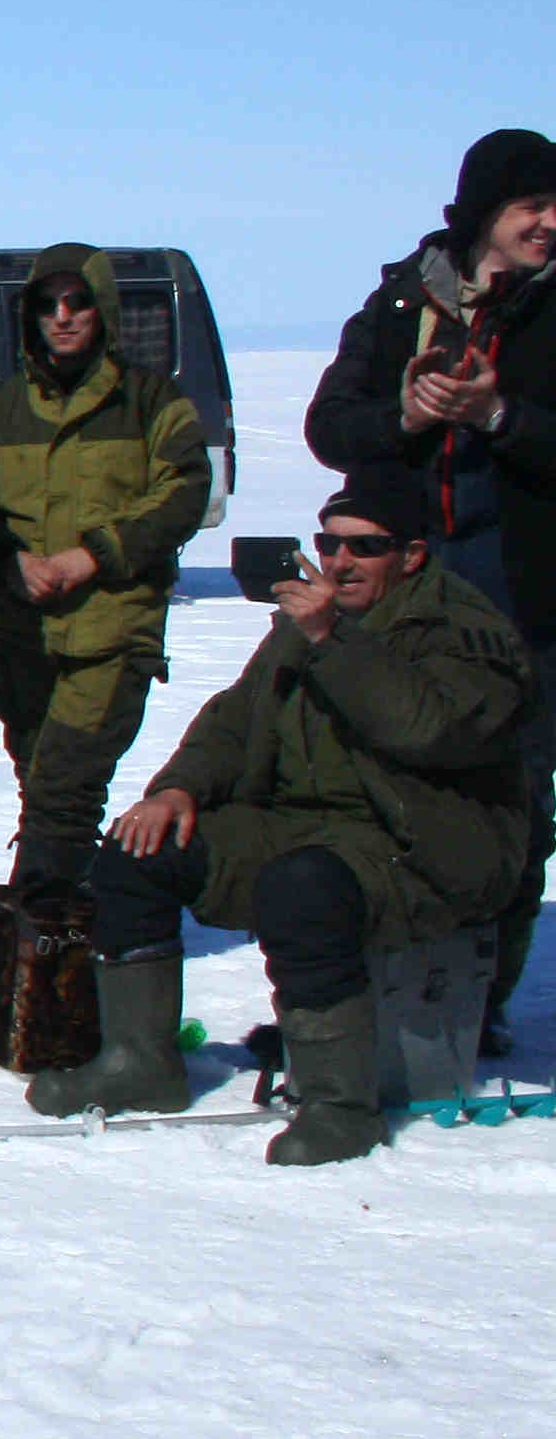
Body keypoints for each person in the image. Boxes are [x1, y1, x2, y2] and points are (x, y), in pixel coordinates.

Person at [42, 474, 531, 1164]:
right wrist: (178, 788)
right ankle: (140, 1063)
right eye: (330, 543)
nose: (339, 562)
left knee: (306, 889)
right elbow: (237, 718)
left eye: (366, 548)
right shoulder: (309, 624)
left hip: (426, 843)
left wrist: (331, 640)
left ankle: (338, 1103)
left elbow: (427, 728)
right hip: (306, 825)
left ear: (413, 555)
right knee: (136, 851)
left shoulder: (464, 631)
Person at [307, 128, 556, 1047]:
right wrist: (402, 416)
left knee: (510, 805)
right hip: (405, 592)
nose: (549, 223)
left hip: (525, 608)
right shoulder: (406, 300)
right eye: (532, 205)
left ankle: (474, 1002)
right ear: (485, 211)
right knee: (383, 789)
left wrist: (501, 415)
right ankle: (387, 986)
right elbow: (331, 426)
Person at [0, 244, 212, 894]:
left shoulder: (151, 402)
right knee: (40, 781)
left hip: (111, 634)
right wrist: (8, 563)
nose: (63, 317)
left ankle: (32, 936)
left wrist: (94, 553)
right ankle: (70, 929)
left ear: (104, 309)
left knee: (66, 786)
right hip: (22, 634)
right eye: (47, 305)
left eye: (78, 302)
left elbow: (183, 492)